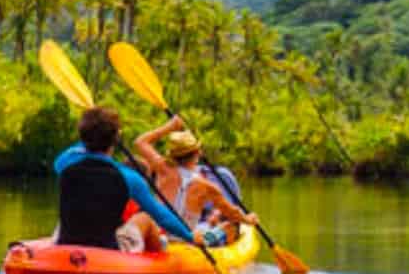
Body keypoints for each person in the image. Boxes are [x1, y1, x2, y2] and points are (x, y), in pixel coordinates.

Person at [53, 106, 197, 252]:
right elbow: (162, 216)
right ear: (116, 139)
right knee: (145, 217)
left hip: (66, 244)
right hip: (109, 252)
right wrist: (190, 236)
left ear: (83, 136)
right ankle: (160, 264)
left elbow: (77, 148)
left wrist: (90, 132)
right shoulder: (129, 178)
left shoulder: (64, 164)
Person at [133, 115, 257, 245]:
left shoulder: (162, 168)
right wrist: (248, 219)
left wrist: (169, 127)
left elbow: (140, 142)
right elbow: (233, 213)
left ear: (172, 155)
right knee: (230, 227)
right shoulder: (207, 187)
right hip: (187, 242)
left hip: (158, 237)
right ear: (197, 154)